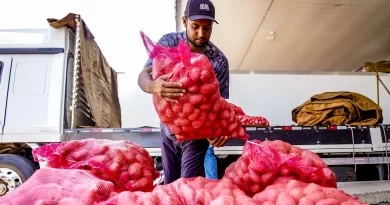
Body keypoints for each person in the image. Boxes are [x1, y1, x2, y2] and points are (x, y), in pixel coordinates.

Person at [138, 0, 229, 184]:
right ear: (185, 20)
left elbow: (220, 105)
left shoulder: (218, 60)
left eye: (207, 27)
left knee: (188, 186)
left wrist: (220, 128)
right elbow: (143, 75)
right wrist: (153, 86)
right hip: (168, 129)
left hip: (197, 134)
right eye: (195, 26)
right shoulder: (169, 42)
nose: (201, 34)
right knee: (171, 185)